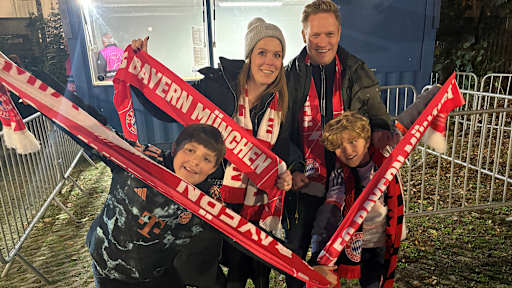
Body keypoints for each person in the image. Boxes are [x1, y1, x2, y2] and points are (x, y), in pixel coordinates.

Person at [130, 17, 292, 288]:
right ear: (249, 56)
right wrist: (142, 70)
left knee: (256, 265)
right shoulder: (219, 87)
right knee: (219, 264)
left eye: (277, 55)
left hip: (261, 199)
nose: (270, 61)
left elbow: (286, 145)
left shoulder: (281, 98)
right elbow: (169, 107)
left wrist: (290, 169)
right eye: (262, 52)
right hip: (217, 194)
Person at [283, 1, 395, 287]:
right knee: (296, 252)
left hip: (351, 183)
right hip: (305, 182)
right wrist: (293, 166)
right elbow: (281, 132)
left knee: (368, 253)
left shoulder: (356, 71)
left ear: (340, 33)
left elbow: (379, 120)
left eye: (329, 34)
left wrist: (384, 137)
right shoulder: (289, 75)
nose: (322, 42)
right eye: (315, 35)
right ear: (303, 34)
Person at [86, 123, 227, 288]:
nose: (195, 161)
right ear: (175, 148)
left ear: (214, 167)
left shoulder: (208, 199)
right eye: (190, 150)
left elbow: (240, 230)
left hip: (158, 273)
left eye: (207, 158)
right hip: (110, 269)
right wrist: (62, 102)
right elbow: (94, 131)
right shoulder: (141, 160)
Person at [310, 111, 404, 288]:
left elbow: (410, 124)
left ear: (367, 141)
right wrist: (317, 255)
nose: (347, 150)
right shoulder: (340, 176)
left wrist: (438, 90)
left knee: (374, 283)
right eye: (339, 145)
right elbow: (330, 211)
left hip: (382, 240)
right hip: (355, 241)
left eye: (353, 141)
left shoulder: (386, 159)